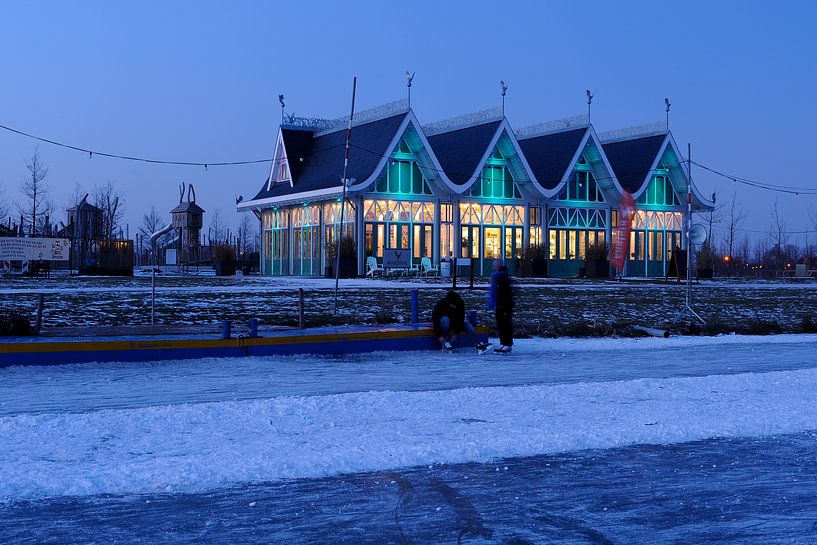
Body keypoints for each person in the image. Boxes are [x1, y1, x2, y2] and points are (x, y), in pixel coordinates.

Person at [488, 259, 514, 354]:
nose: (493, 267)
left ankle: (506, 344)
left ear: (498, 266)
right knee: (502, 324)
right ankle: (504, 343)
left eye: (494, 265)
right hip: (502, 304)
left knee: (504, 324)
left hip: (503, 305)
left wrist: (502, 303)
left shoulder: (501, 277)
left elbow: (503, 291)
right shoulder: (500, 275)